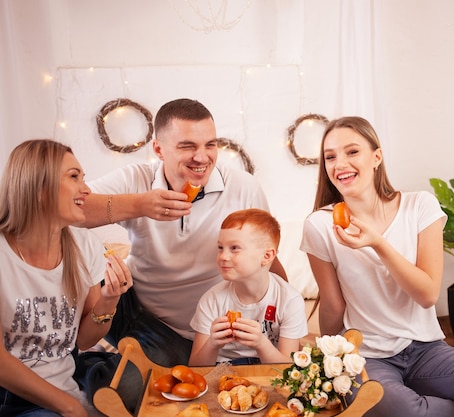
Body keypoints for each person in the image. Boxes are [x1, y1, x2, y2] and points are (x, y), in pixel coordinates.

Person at [300, 116, 454, 417]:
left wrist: (378, 243)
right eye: (330, 157)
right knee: (400, 408)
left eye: (352, 151)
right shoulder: (320, 225)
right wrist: (327, 360)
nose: (339, 163)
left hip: (425, 350)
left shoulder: (420, 205)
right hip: (367, 357)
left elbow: (427, 295)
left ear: (376, 157)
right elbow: (332, 304)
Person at [79, 98, 286, 367]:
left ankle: (103, 363)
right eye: (187, 146)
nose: (201, 157)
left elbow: (267, 259)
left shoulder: (243, 187)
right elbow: (70, 208)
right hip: (139, 309)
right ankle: (78, 364)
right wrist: (140, 204)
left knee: (159, 379)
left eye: (210, 145)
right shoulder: (135, 179)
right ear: (158, 149)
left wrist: (287, 320)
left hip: (204, 326)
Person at [0, 139, 132, 417]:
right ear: (39, 188)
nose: (86, 189)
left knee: (139, 385)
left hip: (68, 380)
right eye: (74, 177)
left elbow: (83, 341)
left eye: (83, 178)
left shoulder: (84, 245)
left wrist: (110, 299)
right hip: (14, 397)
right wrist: (69, 406)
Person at [189, 209, 308, 366]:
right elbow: (195, 367)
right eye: (220, 248)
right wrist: (212, 344)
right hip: (223, 370)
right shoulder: (212, 300)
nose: (223, 256)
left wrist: (261, 343)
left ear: (267, 256)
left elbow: (288, 368)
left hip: (270, 371)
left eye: (234, 248)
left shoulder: (289, 300)